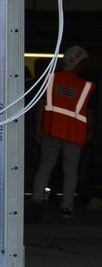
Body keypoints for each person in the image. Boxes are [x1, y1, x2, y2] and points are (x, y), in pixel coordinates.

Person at [31, 45, 92, 218]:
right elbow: (89, 112)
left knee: (45, 166)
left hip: (51, 130)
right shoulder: (85, 86)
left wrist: (38, 127)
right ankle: (67, 208)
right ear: (78, 64)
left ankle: (36, 201)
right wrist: (90, 131)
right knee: (70, 171)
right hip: (73, 134)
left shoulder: (51, 79)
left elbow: (40, 104)